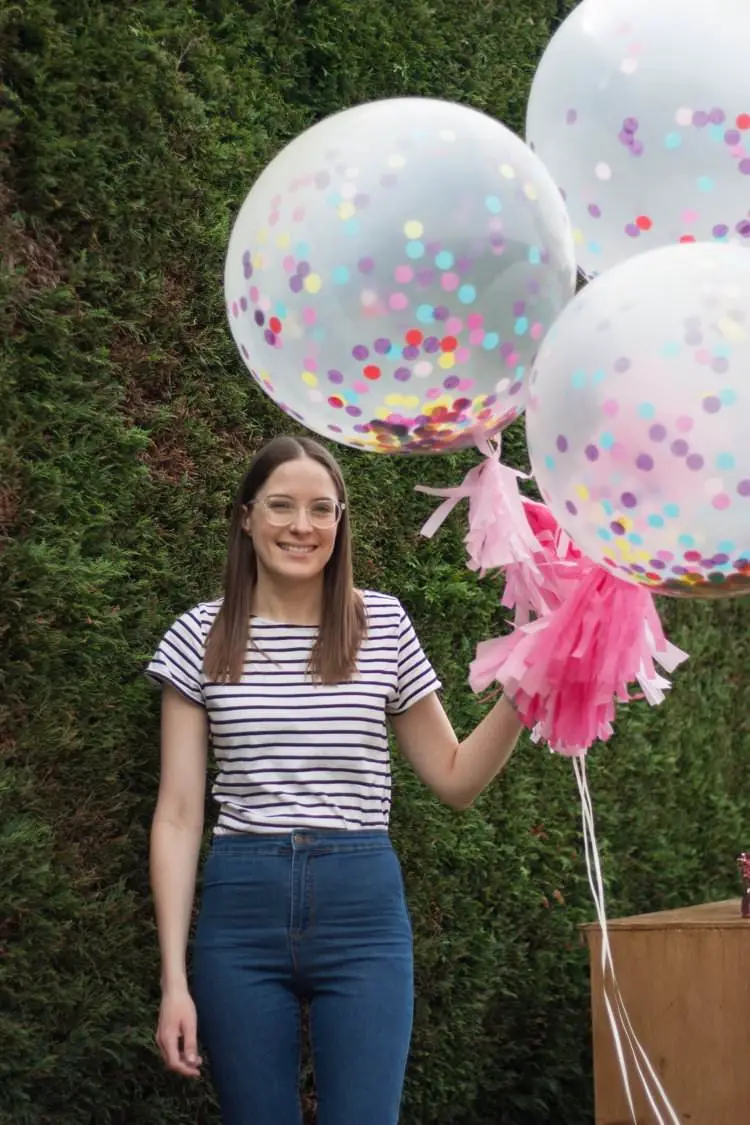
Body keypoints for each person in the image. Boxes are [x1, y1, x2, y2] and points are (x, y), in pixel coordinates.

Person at [146, 433, 522, 1125]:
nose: (302, 525)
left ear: (341, 521)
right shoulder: (197, 636)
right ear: (245, 515)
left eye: (322, 509)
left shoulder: (381, 624)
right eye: (282, 506)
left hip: (363, 915)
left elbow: (455, 777)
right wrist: (174, 980)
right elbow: (177, 813)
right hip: (240, 914)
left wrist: (525, 690)